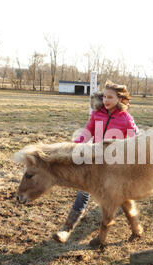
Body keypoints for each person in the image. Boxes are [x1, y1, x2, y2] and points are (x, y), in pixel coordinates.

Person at [53, 80, 139, 243]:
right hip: (95, 161)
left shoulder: (126, 119)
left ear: (120, 99)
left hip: (114, 166)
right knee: (83, 192)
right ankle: (66, 228)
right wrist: (76, 146)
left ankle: (133, 229)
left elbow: (135, 139)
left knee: (119, 200)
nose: (106, 100)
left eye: (110, 97)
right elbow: (87, 132)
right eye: (104, 96)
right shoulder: (97, 114)